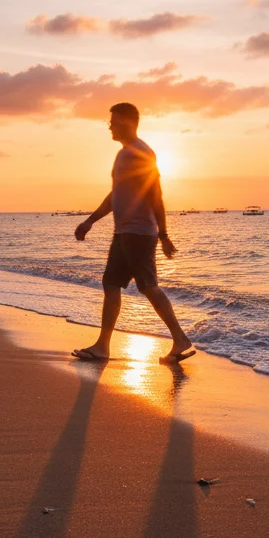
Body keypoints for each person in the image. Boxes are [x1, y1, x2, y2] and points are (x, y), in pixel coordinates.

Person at [72, 101, 195, 364]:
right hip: (123, 232)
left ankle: (180, 339)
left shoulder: (141, 153)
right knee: (111, 283)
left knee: (148, 287)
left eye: (113, 122)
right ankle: (102, 346)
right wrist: (90, 221)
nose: (110, 127)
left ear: (127, 122)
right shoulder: (124, 154)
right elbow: (115, 195)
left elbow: (156, 194)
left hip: (139, 233)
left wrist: (163, 234)